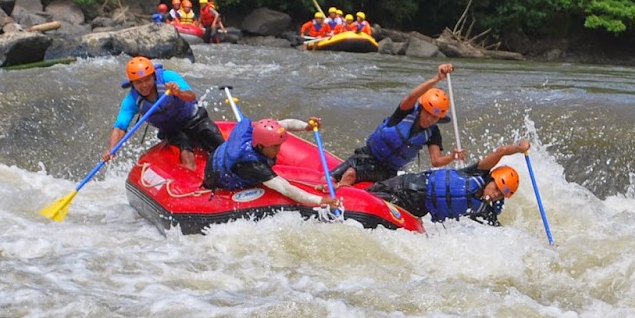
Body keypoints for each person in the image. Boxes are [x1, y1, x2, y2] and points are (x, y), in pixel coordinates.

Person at [331, 63, 466, 188]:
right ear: (421, 109)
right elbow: (413, 95)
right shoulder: (405, 111)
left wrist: (452, 157)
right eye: (428, 113)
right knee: (330, 177)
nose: (430, 119)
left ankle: (340, 202)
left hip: (386, 171)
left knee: (350, 174)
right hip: (365, 154)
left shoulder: (433, 133)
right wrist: (437, 78)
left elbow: (436, 161)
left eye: (435, 117)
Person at [105, 56, 225, 172]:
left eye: (147, 79)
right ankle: (192, 186)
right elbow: (120, 127)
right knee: (185, 152)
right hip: (173, 131)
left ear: (153, 76)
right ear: (132, 84)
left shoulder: (168, 77)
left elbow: (192, 96)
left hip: (194, 119)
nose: (144, 85)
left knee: (220, 146)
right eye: (138, 82)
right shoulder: (131, 101)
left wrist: (178, 93)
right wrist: (111, 149)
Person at [369, 141, 529, 226]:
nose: (495, 194)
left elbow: (501, 235)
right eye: (496, 188)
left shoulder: (485, 212)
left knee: (375, 209)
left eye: (500, 194)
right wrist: (518, 148)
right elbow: (500, 152)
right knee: (369, 195)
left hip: (416, 208)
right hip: (408, 184)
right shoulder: (477, 172)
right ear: (491, 179)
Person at [203, 117, 336, 208]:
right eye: (275, 147)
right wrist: (319, 201)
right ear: (261, 146)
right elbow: (286, 189)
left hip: (221, 156)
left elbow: (287, 124)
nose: (279, 150)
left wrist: (306, 126)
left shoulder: (259, 133)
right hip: (216, 177)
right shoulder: (253, 165)